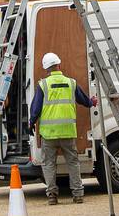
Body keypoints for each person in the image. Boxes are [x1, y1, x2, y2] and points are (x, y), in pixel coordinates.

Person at [29, 51, 97, 205]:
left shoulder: (43, 85)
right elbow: (85, 101)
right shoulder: (71, 83)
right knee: (73, 162)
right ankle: (78, 194)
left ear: (46, 69)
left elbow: (35, 109)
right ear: (59, 65)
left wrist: (31, 123)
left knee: (49, 164)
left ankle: (52, 195)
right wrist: (92, 102)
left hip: (49, 134)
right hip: (67, 131)